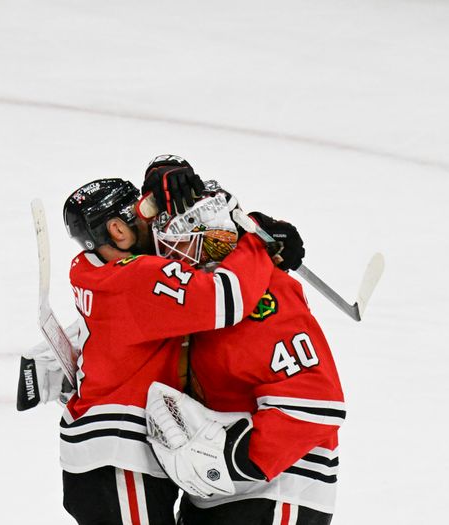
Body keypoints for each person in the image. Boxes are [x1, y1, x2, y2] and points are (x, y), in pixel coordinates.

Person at [58, 167, 280, 525]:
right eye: (141, 215)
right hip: (118, 457)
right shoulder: (137, 278)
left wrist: (166, 166)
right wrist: (254, 240)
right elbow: (228, 296)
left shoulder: (94, 270)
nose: (155, 223)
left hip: (108, 458)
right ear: (117, 230)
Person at [145, 198, 344, 525]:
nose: (171, 262)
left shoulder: (266, 296)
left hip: (276, 490)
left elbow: (316, 401)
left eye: (180, 248)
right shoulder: (202, 302)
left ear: (212, 244)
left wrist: (232, 459)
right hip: (214, 498)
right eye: (166, 249)